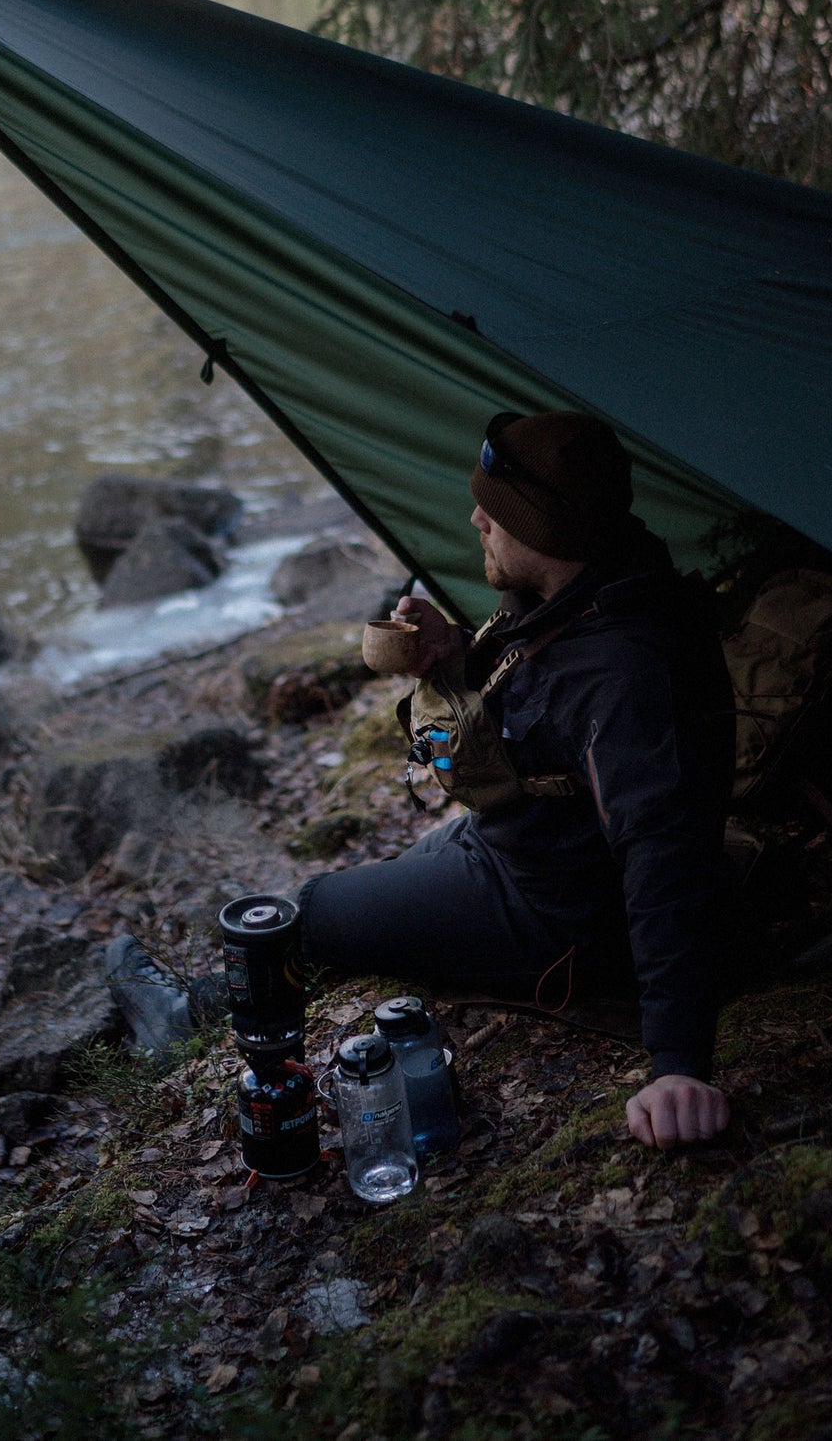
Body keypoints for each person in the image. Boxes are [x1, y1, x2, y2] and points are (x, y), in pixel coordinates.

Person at [297, 409, 734, 1150]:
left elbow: (667, 859)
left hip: (548, 912)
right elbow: (544, 710)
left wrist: (678, 1063)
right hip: (513, 843)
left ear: (547, 529)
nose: (475, 518)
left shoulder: (628, 676)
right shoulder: (590, 589)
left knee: (312, 912)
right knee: (371, 887)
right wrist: (454, 654)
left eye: (494, 511)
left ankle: (202, 1005)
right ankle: (218, 989)